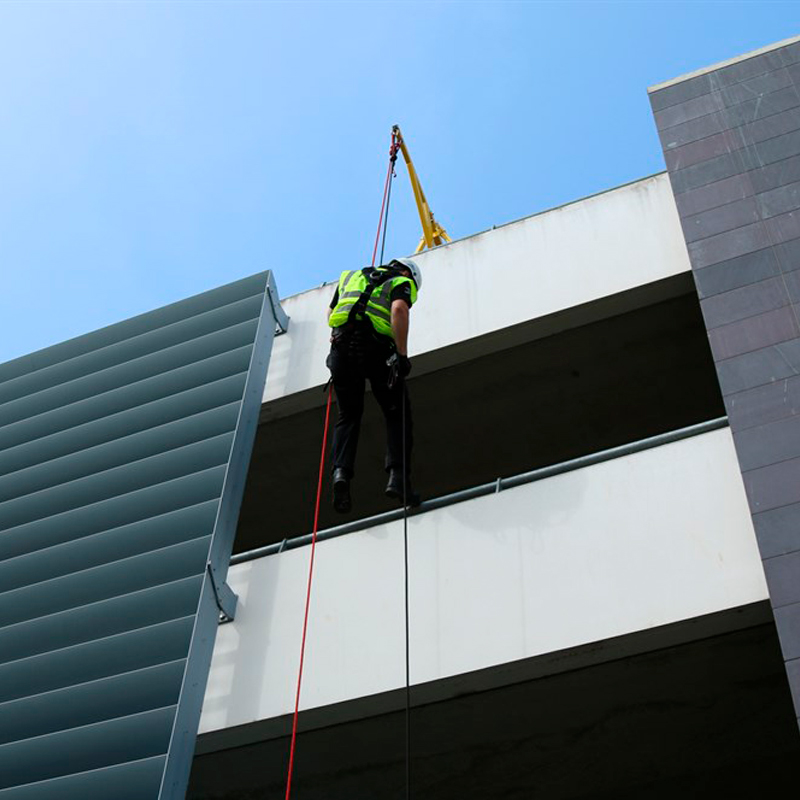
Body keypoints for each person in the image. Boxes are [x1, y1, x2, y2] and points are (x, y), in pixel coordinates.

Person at [326, 257, 422, 513]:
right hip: (376, 349)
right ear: (406, 272)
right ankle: (398, 478)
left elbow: (331, 311)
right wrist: (402, 356)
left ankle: (340, 474)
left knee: (348, 414)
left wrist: (338, 337)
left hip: (341, 348)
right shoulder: (402, 281)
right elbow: (399, 310)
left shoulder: (350, 276)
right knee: (396, 412)